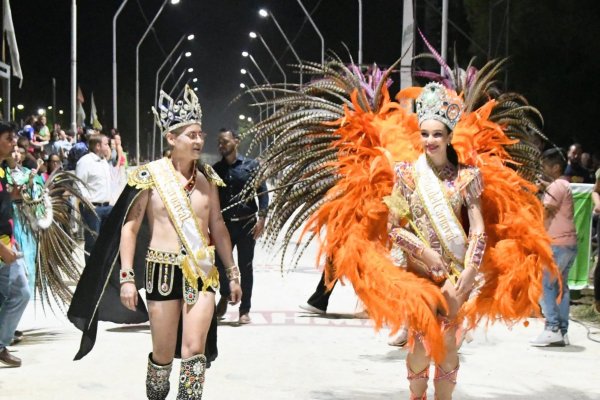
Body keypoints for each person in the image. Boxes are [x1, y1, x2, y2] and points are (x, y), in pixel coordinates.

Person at [68, 86, 241, 399]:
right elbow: (129, 229)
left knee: (193, 350)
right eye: (192, 135)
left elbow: (218, 225)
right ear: (172, 139)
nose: (200, 141)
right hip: (161, 271)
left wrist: (232, 271)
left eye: (201, 134)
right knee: (162, 353)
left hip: (201, 271)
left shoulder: (209, 180)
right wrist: (126, 279)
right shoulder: (149, 177)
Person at [212, 129, 268, 324]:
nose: (221, 145)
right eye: (219, 142)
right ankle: (225, 295)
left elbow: (263, 192)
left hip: (246, 225)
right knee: (220, 265)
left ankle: (245, 309)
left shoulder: (251, 166)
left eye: (225, 141)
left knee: (246, 267)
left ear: (236, 141)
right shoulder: (216, 169)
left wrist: (262, 217)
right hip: (224, 226)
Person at [530, 149, 578, 347]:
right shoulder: (563, 184)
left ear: (556, 167)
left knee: (548, 286)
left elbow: (545, 210)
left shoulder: (557, 186)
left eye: (545, 167)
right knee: (561, 288)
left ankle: (552, 328)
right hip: (569, 244)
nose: (542, 171)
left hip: (556, 243)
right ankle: (562, 330)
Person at [0, 122, 31, 367]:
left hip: (7, 242)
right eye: (9, 138)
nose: (14, 144)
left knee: (21, 293)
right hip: (2, 248)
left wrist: (12, 196)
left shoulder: (2, 170)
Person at [75, 133, 113, 261]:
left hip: (107, 207)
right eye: (106, 144)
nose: (108, 147)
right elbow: (78, 183)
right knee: (93, 243)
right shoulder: (85, 162)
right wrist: (87, 202)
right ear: (97, 146)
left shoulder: (103, 162)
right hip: (93, 208)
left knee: (107, 242)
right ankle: (91, 276)